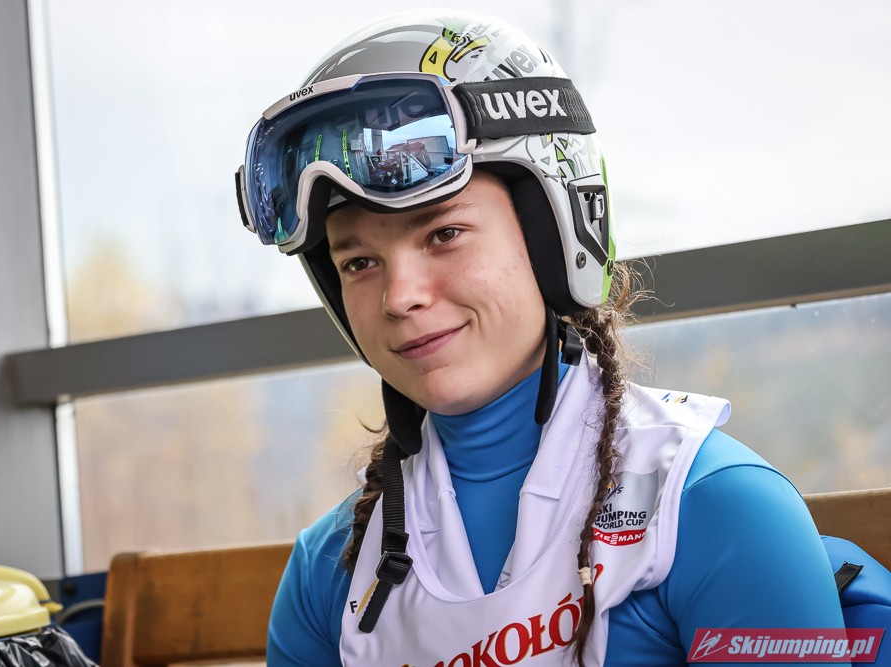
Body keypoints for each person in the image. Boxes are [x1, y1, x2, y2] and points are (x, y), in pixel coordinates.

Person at [235, 10, 846, 666]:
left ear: (552, 234)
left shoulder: (715, 508)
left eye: (444, 234)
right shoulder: (327, 573)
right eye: (359, 262)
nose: (399, 295)